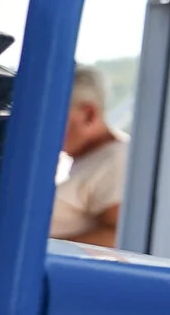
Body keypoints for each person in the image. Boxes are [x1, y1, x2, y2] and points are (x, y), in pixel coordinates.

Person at [53, 63, 125, 247]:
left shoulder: (116, 159)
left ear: (88, 114)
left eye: (53, 116)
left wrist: (38, 251)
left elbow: (117, 236)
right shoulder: (89, 160)